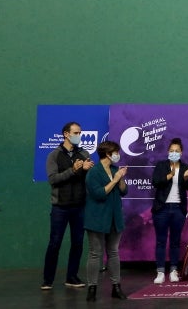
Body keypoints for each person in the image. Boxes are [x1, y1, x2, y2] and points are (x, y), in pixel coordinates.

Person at [42, 121, 94, 290]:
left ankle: (71, 277)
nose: (79, 135)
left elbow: (89, 180)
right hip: (60, 207)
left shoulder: (84, 153)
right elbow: (53, 179)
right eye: (76, 133)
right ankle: (47, 280)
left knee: (78, 243)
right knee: (55, 243)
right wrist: (73, 170)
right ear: (66, 134)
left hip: (79, 206)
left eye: (80, 132)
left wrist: (87, 169)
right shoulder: (54, 155)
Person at [84, 140, 128, 301]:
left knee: (114, 252)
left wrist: (121, 179)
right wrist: (115, 180)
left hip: (114, 217)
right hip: (96, 218)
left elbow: (124, 191)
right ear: (108, 154)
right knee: (95, 253)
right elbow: (99, 194)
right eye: (116, 152)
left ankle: (116, 286)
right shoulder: (93, 173)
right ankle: (92, 288)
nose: (118, 155)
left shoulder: (115, 169)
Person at [150, 138, 188, 284]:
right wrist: (170, 175)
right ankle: (160, 271)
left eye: (177, 151)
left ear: (181, 153)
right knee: (161, 241)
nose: (174, 153)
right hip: (162, 208)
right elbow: (155, 182)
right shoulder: (161, 165)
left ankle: (174, 270)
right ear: (168, 151)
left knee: (175, 242)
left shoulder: (185, 166)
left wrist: (186, 178)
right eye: (172, 150)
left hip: (178, 209)